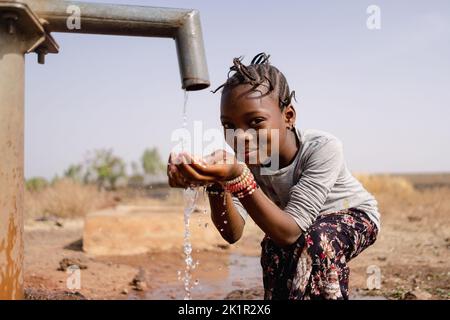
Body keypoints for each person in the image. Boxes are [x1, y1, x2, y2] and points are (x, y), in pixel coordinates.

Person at [167, 53, 379, 300]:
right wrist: (217, 185)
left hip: (354, 215)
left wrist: (239, 178)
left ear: (288, 117)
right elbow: (232, 233)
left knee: (316, 240)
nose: (241, 136)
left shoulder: (322, 148)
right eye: (229, 126)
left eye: (255, 121)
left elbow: (290, 232)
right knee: (273, 247)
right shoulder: (251, 160)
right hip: (300, 224)